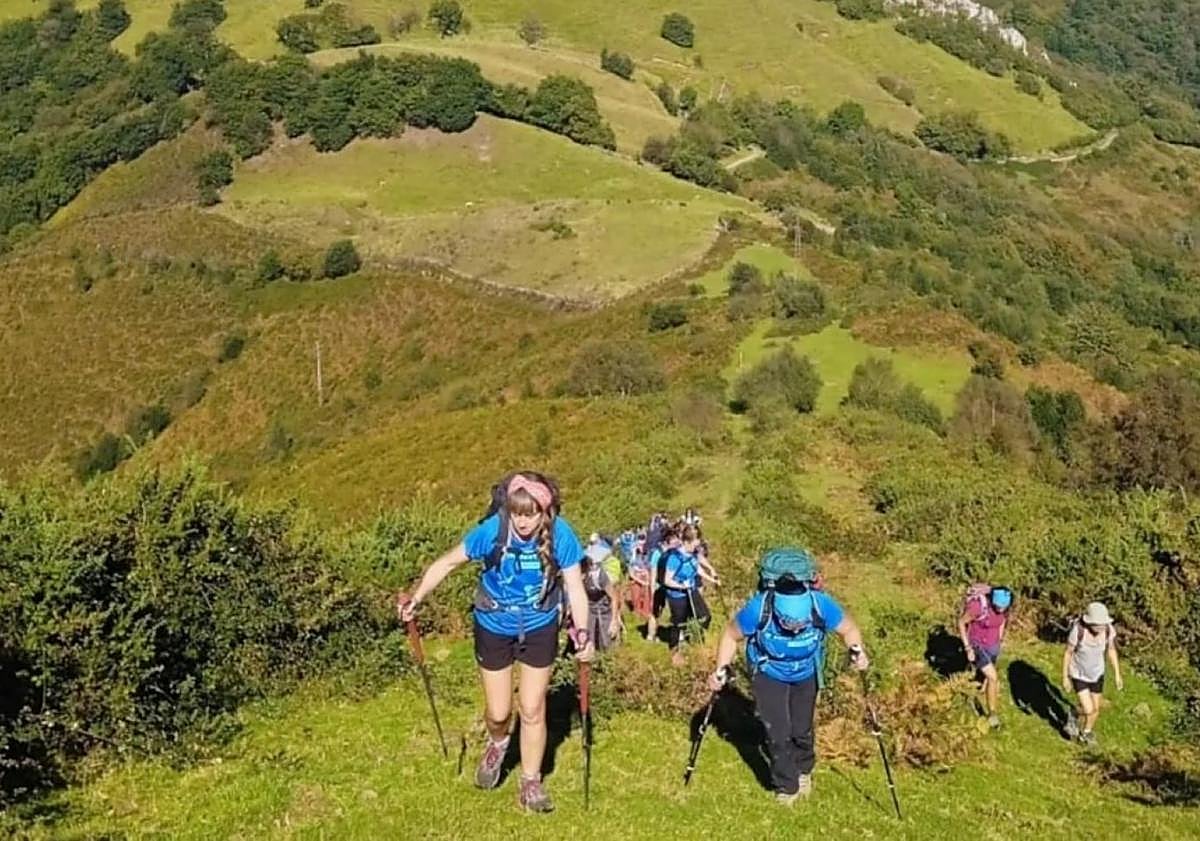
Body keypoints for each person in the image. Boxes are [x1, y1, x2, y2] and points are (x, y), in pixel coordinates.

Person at [398, 472, 593, 814]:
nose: (522, 521)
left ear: (544, 512)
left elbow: (575, 588)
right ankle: (498, 743)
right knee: (499, 713)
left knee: (532, 708)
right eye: (516, 512)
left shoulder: (561, 534)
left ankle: (530, 782)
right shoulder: (493, 530)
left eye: (530, 514)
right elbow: (448, 562)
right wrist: (417, 597)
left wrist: (583, 633)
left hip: (539, 625)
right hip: (493, 625)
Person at [709, 547, 867, 805]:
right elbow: (730, 636)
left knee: (802, 729)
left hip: (806, 672)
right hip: (769, 673)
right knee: (778, 733)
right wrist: (720, 670)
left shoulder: (820, 604)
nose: (794, 629)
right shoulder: (760, 607)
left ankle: (804, 769)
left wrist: (857, 651)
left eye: (800, 624)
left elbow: (849, 629)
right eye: (787, 623)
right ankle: (787, 785)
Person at [1062, 601, 1123, 746]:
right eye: (1098, 624)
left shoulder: (1108, 630)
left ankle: (1086, 732)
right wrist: (1065, 677)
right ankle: (1073, 714)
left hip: (1097, 674)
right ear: (1089, 622)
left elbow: (1111, 650)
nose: (1101, 627)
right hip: (1079, 674)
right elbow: (1068, 653)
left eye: (1103, 624)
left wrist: (1117, 674)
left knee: (1095, 709)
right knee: (1089, 709)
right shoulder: (1078, 631)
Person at [958, 584, 1013, 729]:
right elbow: (961, 623)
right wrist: (968, 647)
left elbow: (1002, 621)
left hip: (993, 646)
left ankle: (970, 691)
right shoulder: (977, 607)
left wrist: (1000, 640)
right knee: (993, 677)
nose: (1001, 609)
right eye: (998, 606)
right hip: (977, 645)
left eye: (1004, 607)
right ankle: (992, 714)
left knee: (985, 678)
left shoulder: (1005, 608)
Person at [662, 523, 716, 665]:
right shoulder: (674, 558)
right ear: (686, 542)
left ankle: (693, 639)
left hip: (691, 590)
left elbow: (696, 568)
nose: (696, 546)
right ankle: (675, 653)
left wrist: (712, 579)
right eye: (694, 543)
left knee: (705, 616)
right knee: (678, 624)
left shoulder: (692, 554)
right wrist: (681, 585)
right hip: (677, 595)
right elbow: (667, 580)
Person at [582, 541, 623, 649]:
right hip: (590, 609)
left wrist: (614, 620)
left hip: (605, 609)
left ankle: (611, 655)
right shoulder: (577, 576)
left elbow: (614, 598)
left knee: (607, 641)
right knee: (588, 641)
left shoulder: (599, 576)